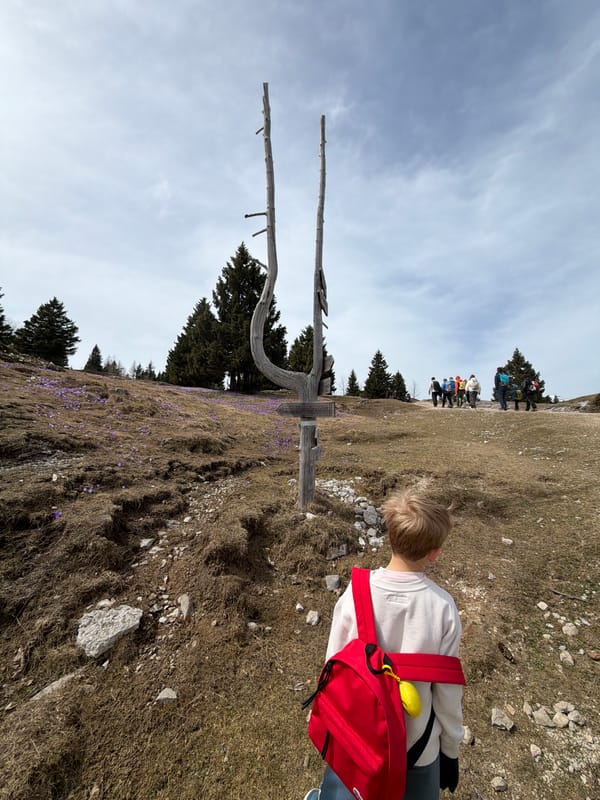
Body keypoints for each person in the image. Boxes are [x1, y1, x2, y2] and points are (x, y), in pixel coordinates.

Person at [303, 492, 464, 800]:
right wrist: (450, 751)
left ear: (390, 536)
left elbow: (333, 664)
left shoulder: (357, 591)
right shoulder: (443, 607)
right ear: (435, 552)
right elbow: (447, 695)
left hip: (358, 737)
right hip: (418, 749)